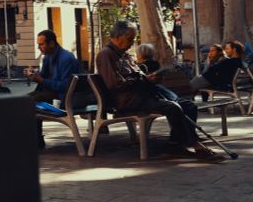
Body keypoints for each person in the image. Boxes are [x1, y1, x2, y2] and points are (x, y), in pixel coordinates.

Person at [96, 20, 221, 162]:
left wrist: (147, 78)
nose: (132, 43)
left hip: (142, 95)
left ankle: (176, 144)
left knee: (188, 105)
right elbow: (114, 84)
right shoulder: (106, 55)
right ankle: (194, 145)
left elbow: (135, 76)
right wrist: (143, 80)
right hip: (128, 101)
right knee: (172, 107)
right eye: (129, 39)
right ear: (118, 37)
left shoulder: (124, 55)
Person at [28, 30, 81, 148]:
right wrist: (34, 76)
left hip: (64, 98)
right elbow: (44, 79)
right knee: (23, 100)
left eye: (41, 44)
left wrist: (41, 80)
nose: (39, 47)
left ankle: (36, 140)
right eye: (38, 44)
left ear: (52, 44)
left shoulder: (66, 58)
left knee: (28, 102)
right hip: (54, 94)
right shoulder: (47, 57)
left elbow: (65, 86)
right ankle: (35, 139)